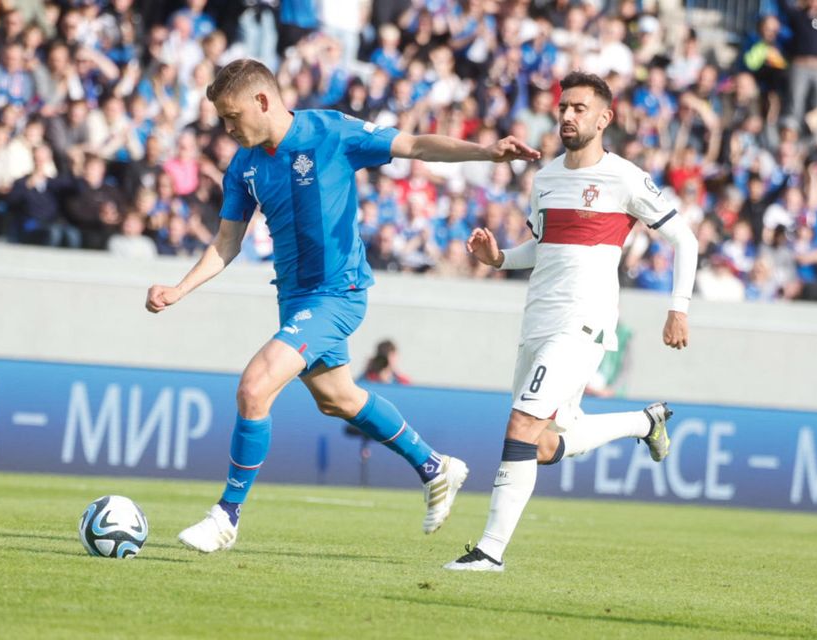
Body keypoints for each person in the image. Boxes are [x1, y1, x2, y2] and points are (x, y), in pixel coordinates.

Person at [145, 58, 539, 553]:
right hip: (294, 300)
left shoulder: (329, 130)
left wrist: (486, 152)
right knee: (338, 398)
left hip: (338, 294)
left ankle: (226, 515)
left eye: (231, 115)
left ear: (262, 101)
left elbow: (413, 145)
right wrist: (180, 288)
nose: (226, 127)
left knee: (254, 387)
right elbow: (227, 242)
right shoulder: (244, 165)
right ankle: (435, 466)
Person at [444, 71, 698, 572]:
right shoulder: (546, 178)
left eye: (579, 108)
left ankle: (489, 553)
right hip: (537, 319)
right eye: (564, 107)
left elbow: (684, 239)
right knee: (539, 444)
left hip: (582, 322)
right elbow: (540, 249)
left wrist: (679, 307)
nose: (566, 115)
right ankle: (644, 422)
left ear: (604, 119)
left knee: (520, 425)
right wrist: (498, 259)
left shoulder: (624, 177)